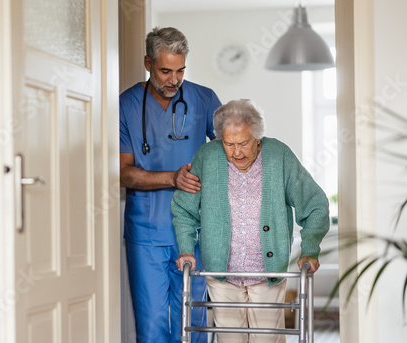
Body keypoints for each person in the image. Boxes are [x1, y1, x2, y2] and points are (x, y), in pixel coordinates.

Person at [172, 99, 330, 343]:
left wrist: (310, 250)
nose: (236, 152)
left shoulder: (279, 156)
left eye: (243, 143)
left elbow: (315, 204)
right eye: (229, 144)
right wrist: (185, 248)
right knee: (229, 339)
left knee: (267, 339)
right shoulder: (208, 156)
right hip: (221, 272)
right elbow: (184, 208)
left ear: (258, 138)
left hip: (268, 272)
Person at [119, 27, 222, 343]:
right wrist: (171, 178)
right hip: (147, 232)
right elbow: (123, 172)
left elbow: (231, 153)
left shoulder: (204, 99)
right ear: (148, 63)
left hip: (195, 230)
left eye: (180, 71)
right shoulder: (125, 105)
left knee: (193, 323)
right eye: (165, 71)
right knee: (151, 325)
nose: (173, 80)